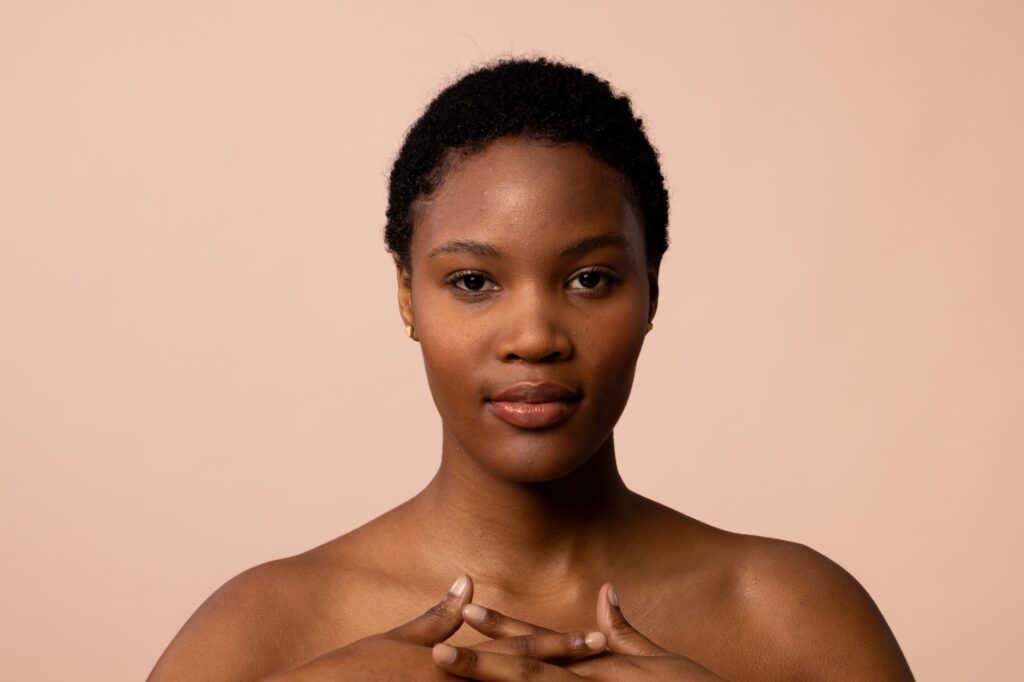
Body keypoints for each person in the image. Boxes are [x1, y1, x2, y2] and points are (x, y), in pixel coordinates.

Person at [149, 58, 914, 681]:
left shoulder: (793, 619)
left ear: (653, 287)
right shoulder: (264, 634)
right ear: (407, 296)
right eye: (473, 283)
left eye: (590, 279)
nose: (535, 337)